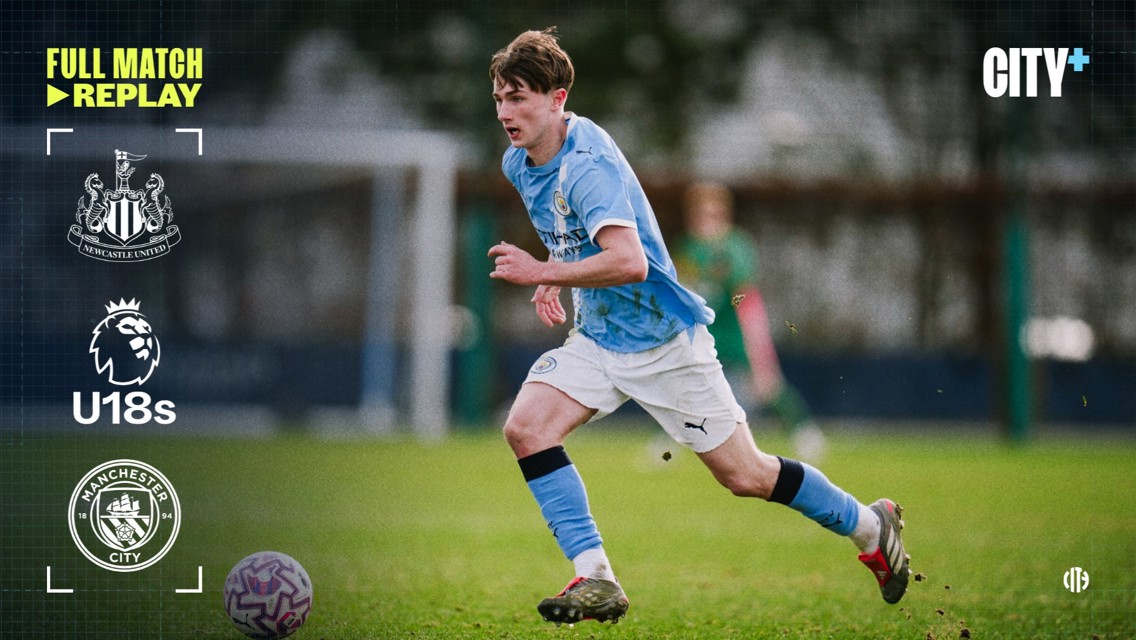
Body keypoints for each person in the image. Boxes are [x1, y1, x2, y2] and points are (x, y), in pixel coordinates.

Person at [487, 28, 911, 626]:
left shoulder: (589, 166)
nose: (506, 112)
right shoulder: (520, 160)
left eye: (520, 98)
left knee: (747, 475)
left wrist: (542, 270)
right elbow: (575, 235)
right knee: (527, 428)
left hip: (664, 344)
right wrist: (558, 276)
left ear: (558, 100)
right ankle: (597, 577)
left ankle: (871, 524)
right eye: (501, 98)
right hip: (598, 340)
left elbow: (631, 261)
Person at [676, 181, 826, 462]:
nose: (704, 220)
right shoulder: (688, 248)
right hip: (705, 333)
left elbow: (746, 299)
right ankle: (668, 443)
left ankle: (804, 431)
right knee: (686, 387)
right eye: (699, 213)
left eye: (712, 214)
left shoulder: (734, 247)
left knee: (767, 385)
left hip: (735, 334)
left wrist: (758, 347)